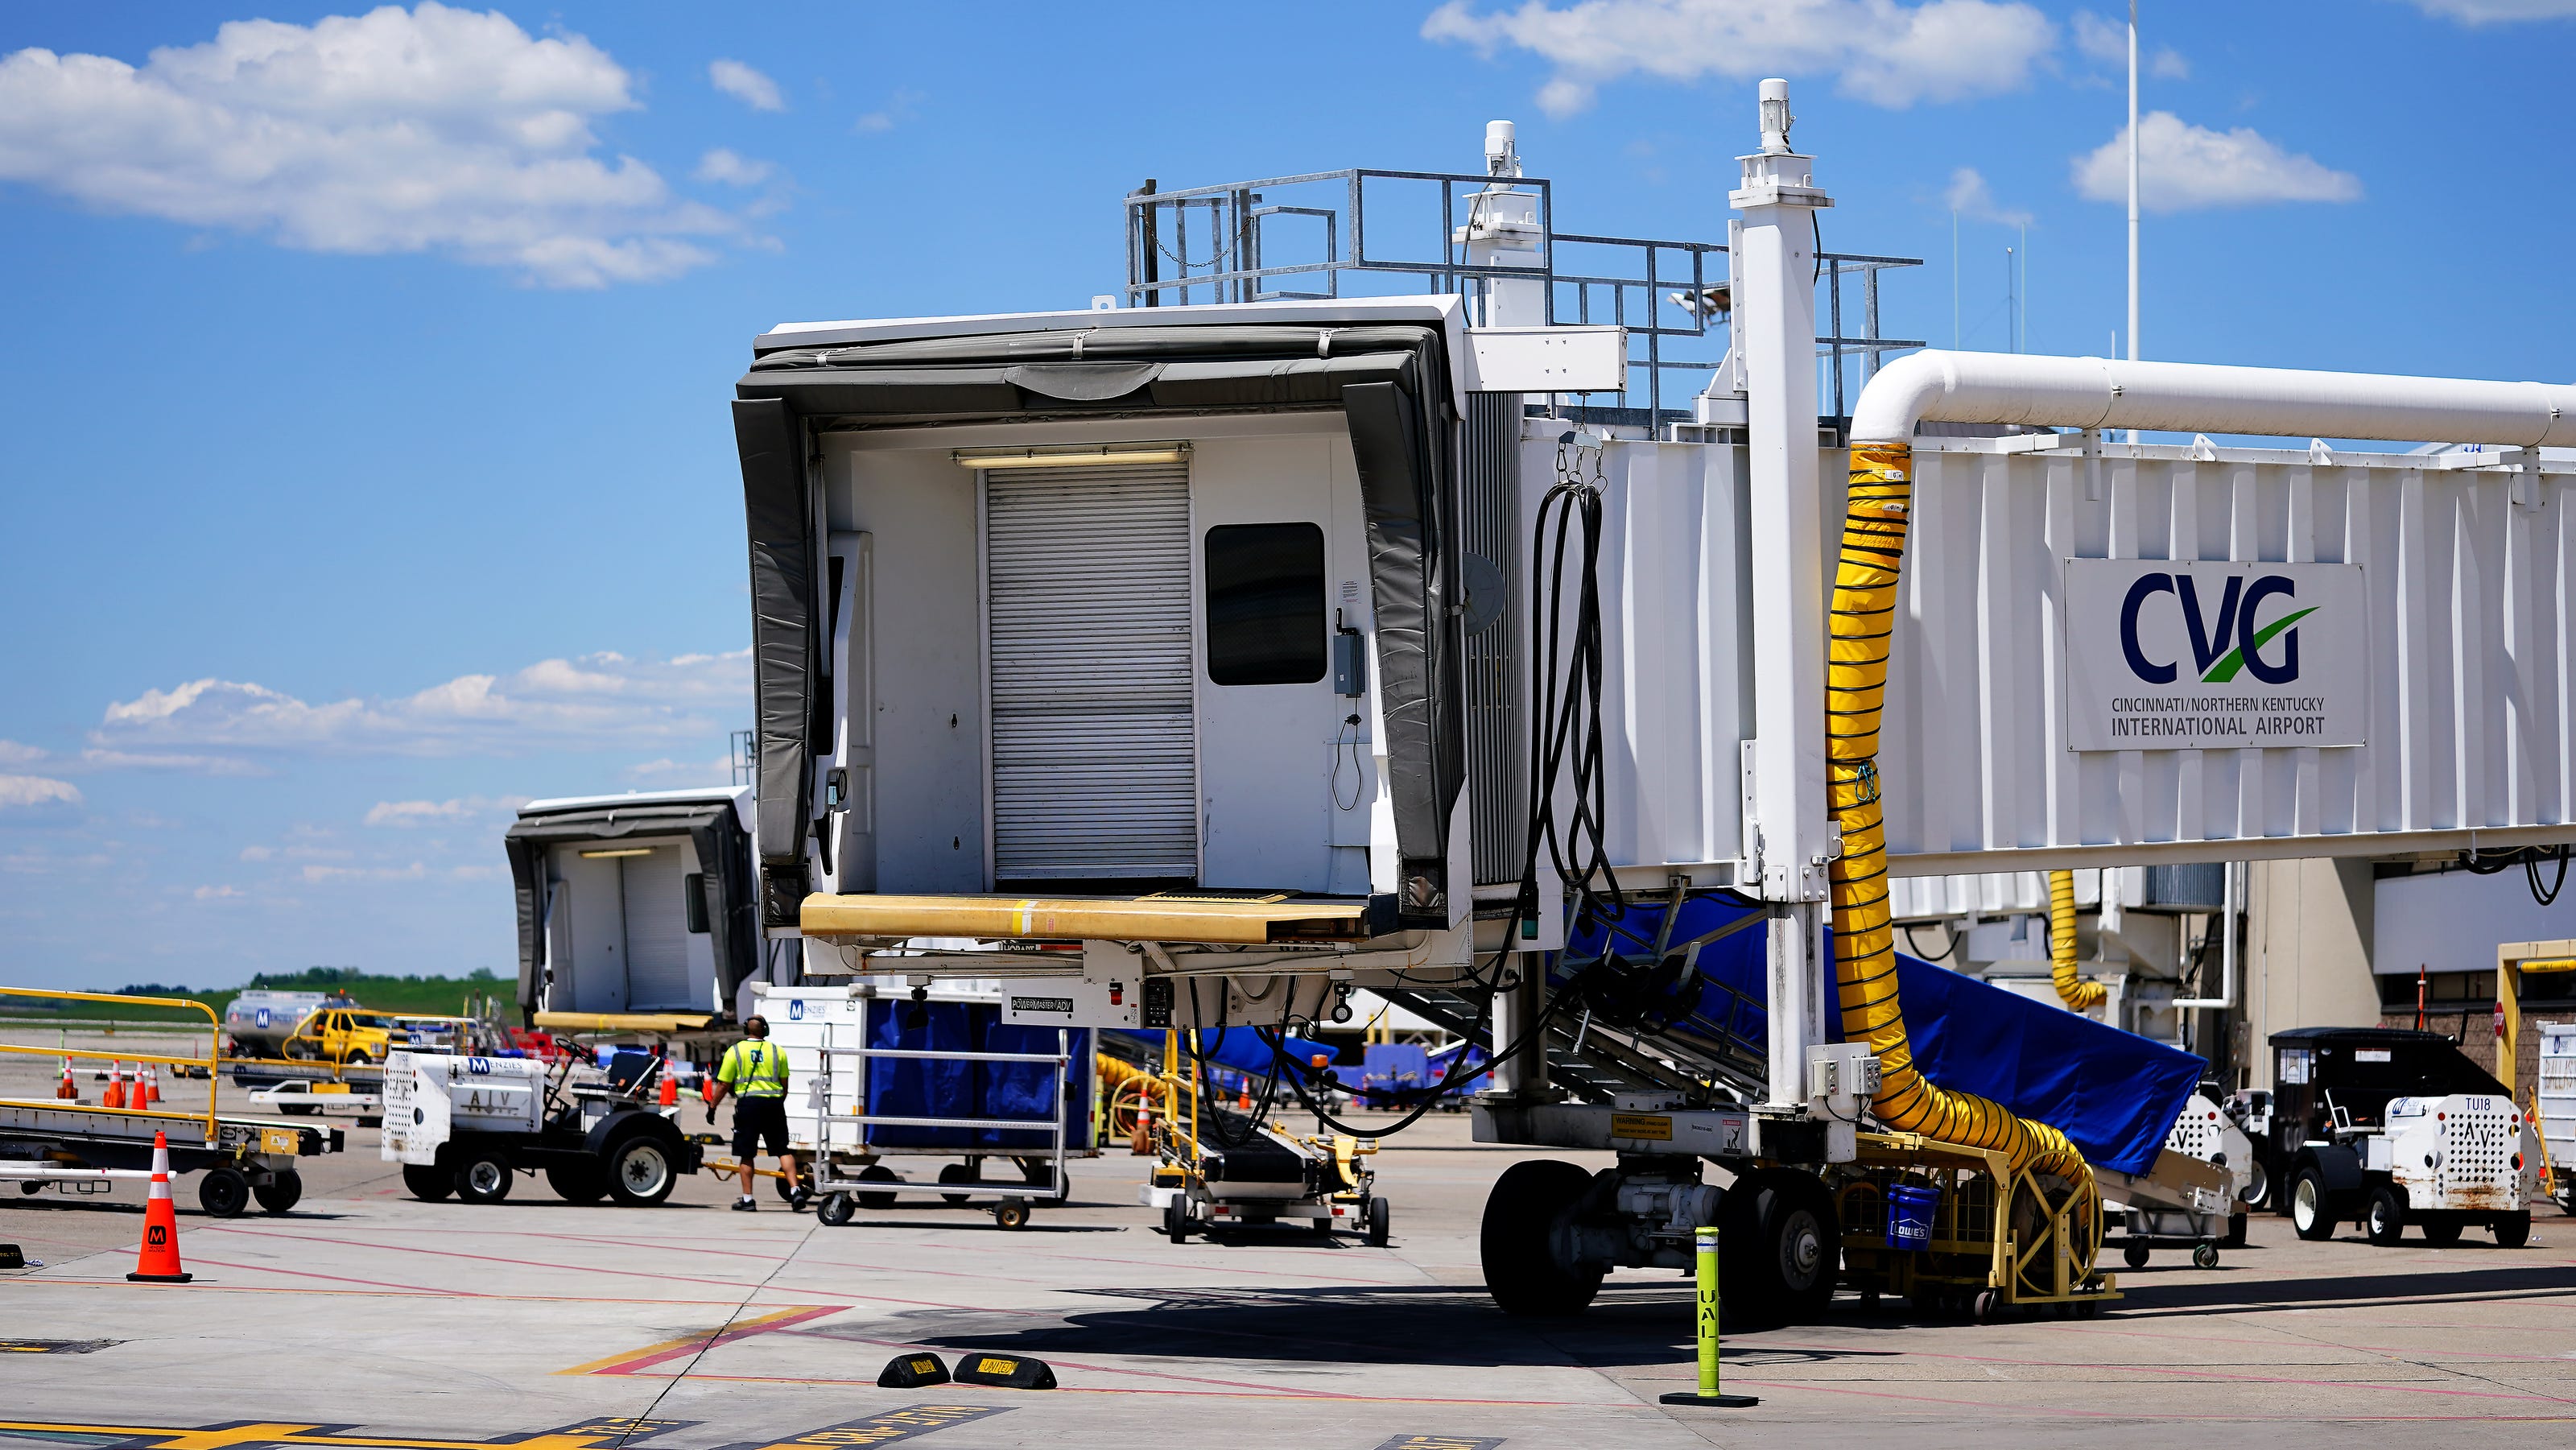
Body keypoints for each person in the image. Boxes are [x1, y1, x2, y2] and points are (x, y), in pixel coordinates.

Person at [708, 1015, 804, 1212]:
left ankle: (748, 1199)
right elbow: (785, 1084)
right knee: (782, 1150)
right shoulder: (778, 1051)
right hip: (773, 1104)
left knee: (746, 1154)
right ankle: (795, 1191)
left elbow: (724, 1084)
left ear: (746, 1030)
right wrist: (777, 1101)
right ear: (765, 1030)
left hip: (748, 1106)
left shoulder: (735, 1051)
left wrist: (712, 1106)